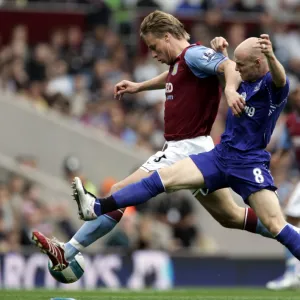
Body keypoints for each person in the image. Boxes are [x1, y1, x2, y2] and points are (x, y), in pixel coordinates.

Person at [31, 11, 278, 269]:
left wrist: (228, 89)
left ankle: (67, 252)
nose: (152, 53)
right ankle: (285, 231)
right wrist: (140, 86)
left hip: (184, 148)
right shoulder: (182, 62)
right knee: (230, 216)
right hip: (198, 149)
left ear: (168, 37)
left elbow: (229, 66)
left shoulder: (194, 54)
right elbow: (173, 77)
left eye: (153, 46)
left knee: (119, 192)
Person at [70, 35, 300, 265]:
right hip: (221, 157)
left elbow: (280, 78)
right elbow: (228, 76)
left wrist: (270, 55)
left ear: (259, 63)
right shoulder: (245, 80)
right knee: (162, 178)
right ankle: (97, 206)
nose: (236, 69)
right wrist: (223, 56)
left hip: (249, 163)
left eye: (241, 65)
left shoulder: (273, 86)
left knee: (275, 225)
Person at [266, 80, 300, 290]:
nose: (297, 96)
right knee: (292, 219)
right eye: (295, 93)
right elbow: (285, 147)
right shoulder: (291, 122)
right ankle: (293, 272)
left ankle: (293, 273)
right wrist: (277, 158)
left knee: (292, 218)